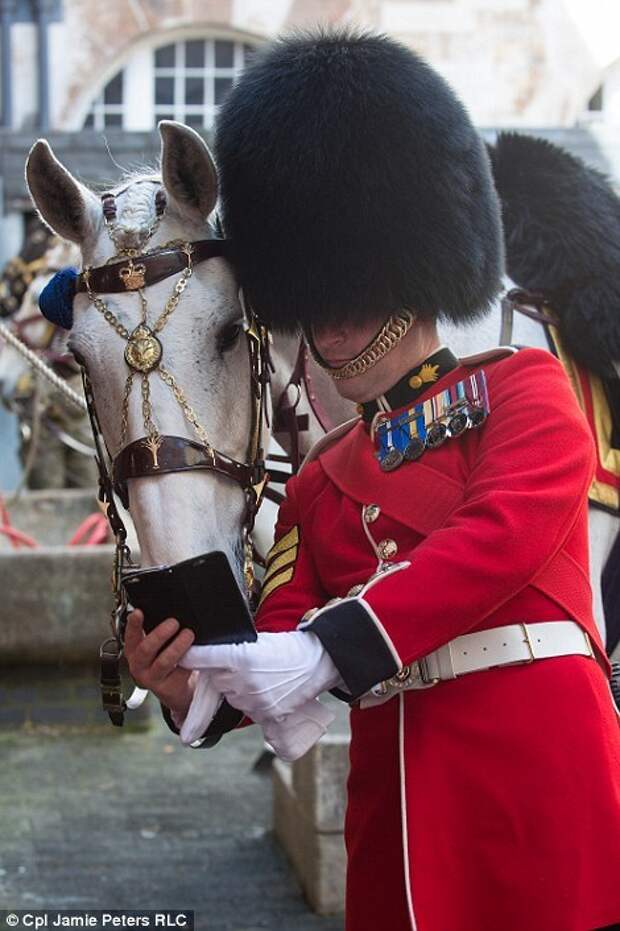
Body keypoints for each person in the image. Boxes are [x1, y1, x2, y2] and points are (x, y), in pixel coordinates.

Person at [124, 30, 620, 931]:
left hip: (535, 776)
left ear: (413, 275)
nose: (331, 330)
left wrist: (330, 648)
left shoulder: (524, 388)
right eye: (316, 304)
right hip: (393, 804)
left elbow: (501, 535)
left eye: (348, 300)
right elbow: (273, 639)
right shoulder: (318, 482)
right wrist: (183, 681)